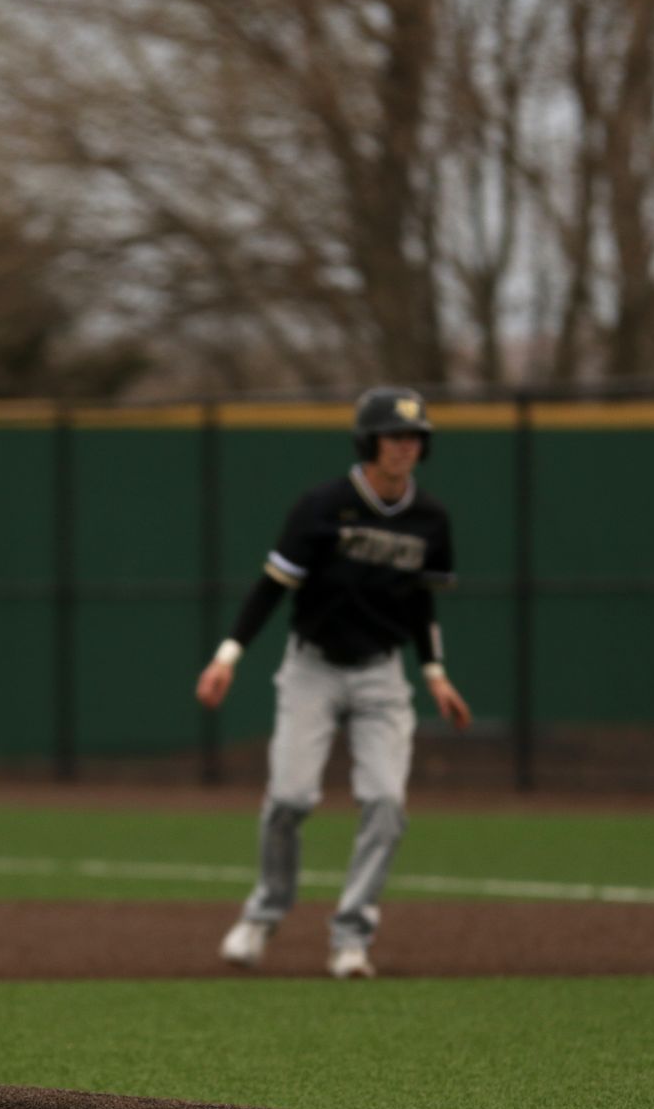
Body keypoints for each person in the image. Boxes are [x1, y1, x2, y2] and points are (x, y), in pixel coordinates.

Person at [194, 387, 472, 979]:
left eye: (414, 436)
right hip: (312, 670)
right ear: (368, 441)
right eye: (394, 436)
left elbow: (421, 603)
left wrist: (436, 674)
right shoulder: (323, 506)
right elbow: (273, 587)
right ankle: (263, 914)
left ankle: (351, 937)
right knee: (290, 798)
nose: (405, 446)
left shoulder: (431, 519)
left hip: (382, 675)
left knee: (387, 803)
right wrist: (227, 657)